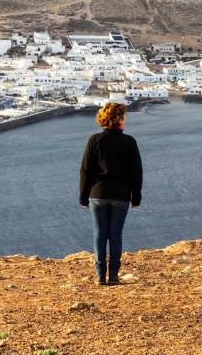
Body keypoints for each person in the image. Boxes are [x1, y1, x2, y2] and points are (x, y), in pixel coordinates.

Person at [79, 102, 142, 285]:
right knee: (115, 234)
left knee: (100, 233)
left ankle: (100, 275)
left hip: (97, 194)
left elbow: (85, 171)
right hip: (121, 196)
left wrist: (83, 196)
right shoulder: (129, 142)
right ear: (119, 120)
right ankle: (113, 275)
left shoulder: (94, 140)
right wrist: (136, 196)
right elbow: (136, 172)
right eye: (123, 117)